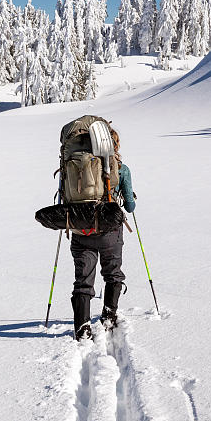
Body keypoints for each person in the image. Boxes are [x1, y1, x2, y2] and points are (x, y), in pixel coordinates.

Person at [70, 126, 136, 341]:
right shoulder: (121, 168)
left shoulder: (76, 166)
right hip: (110, 232)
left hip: (81, 230)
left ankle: (82, 327)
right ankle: (109, 316)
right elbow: (130, 207)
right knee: (113, 273)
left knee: (83, 280)